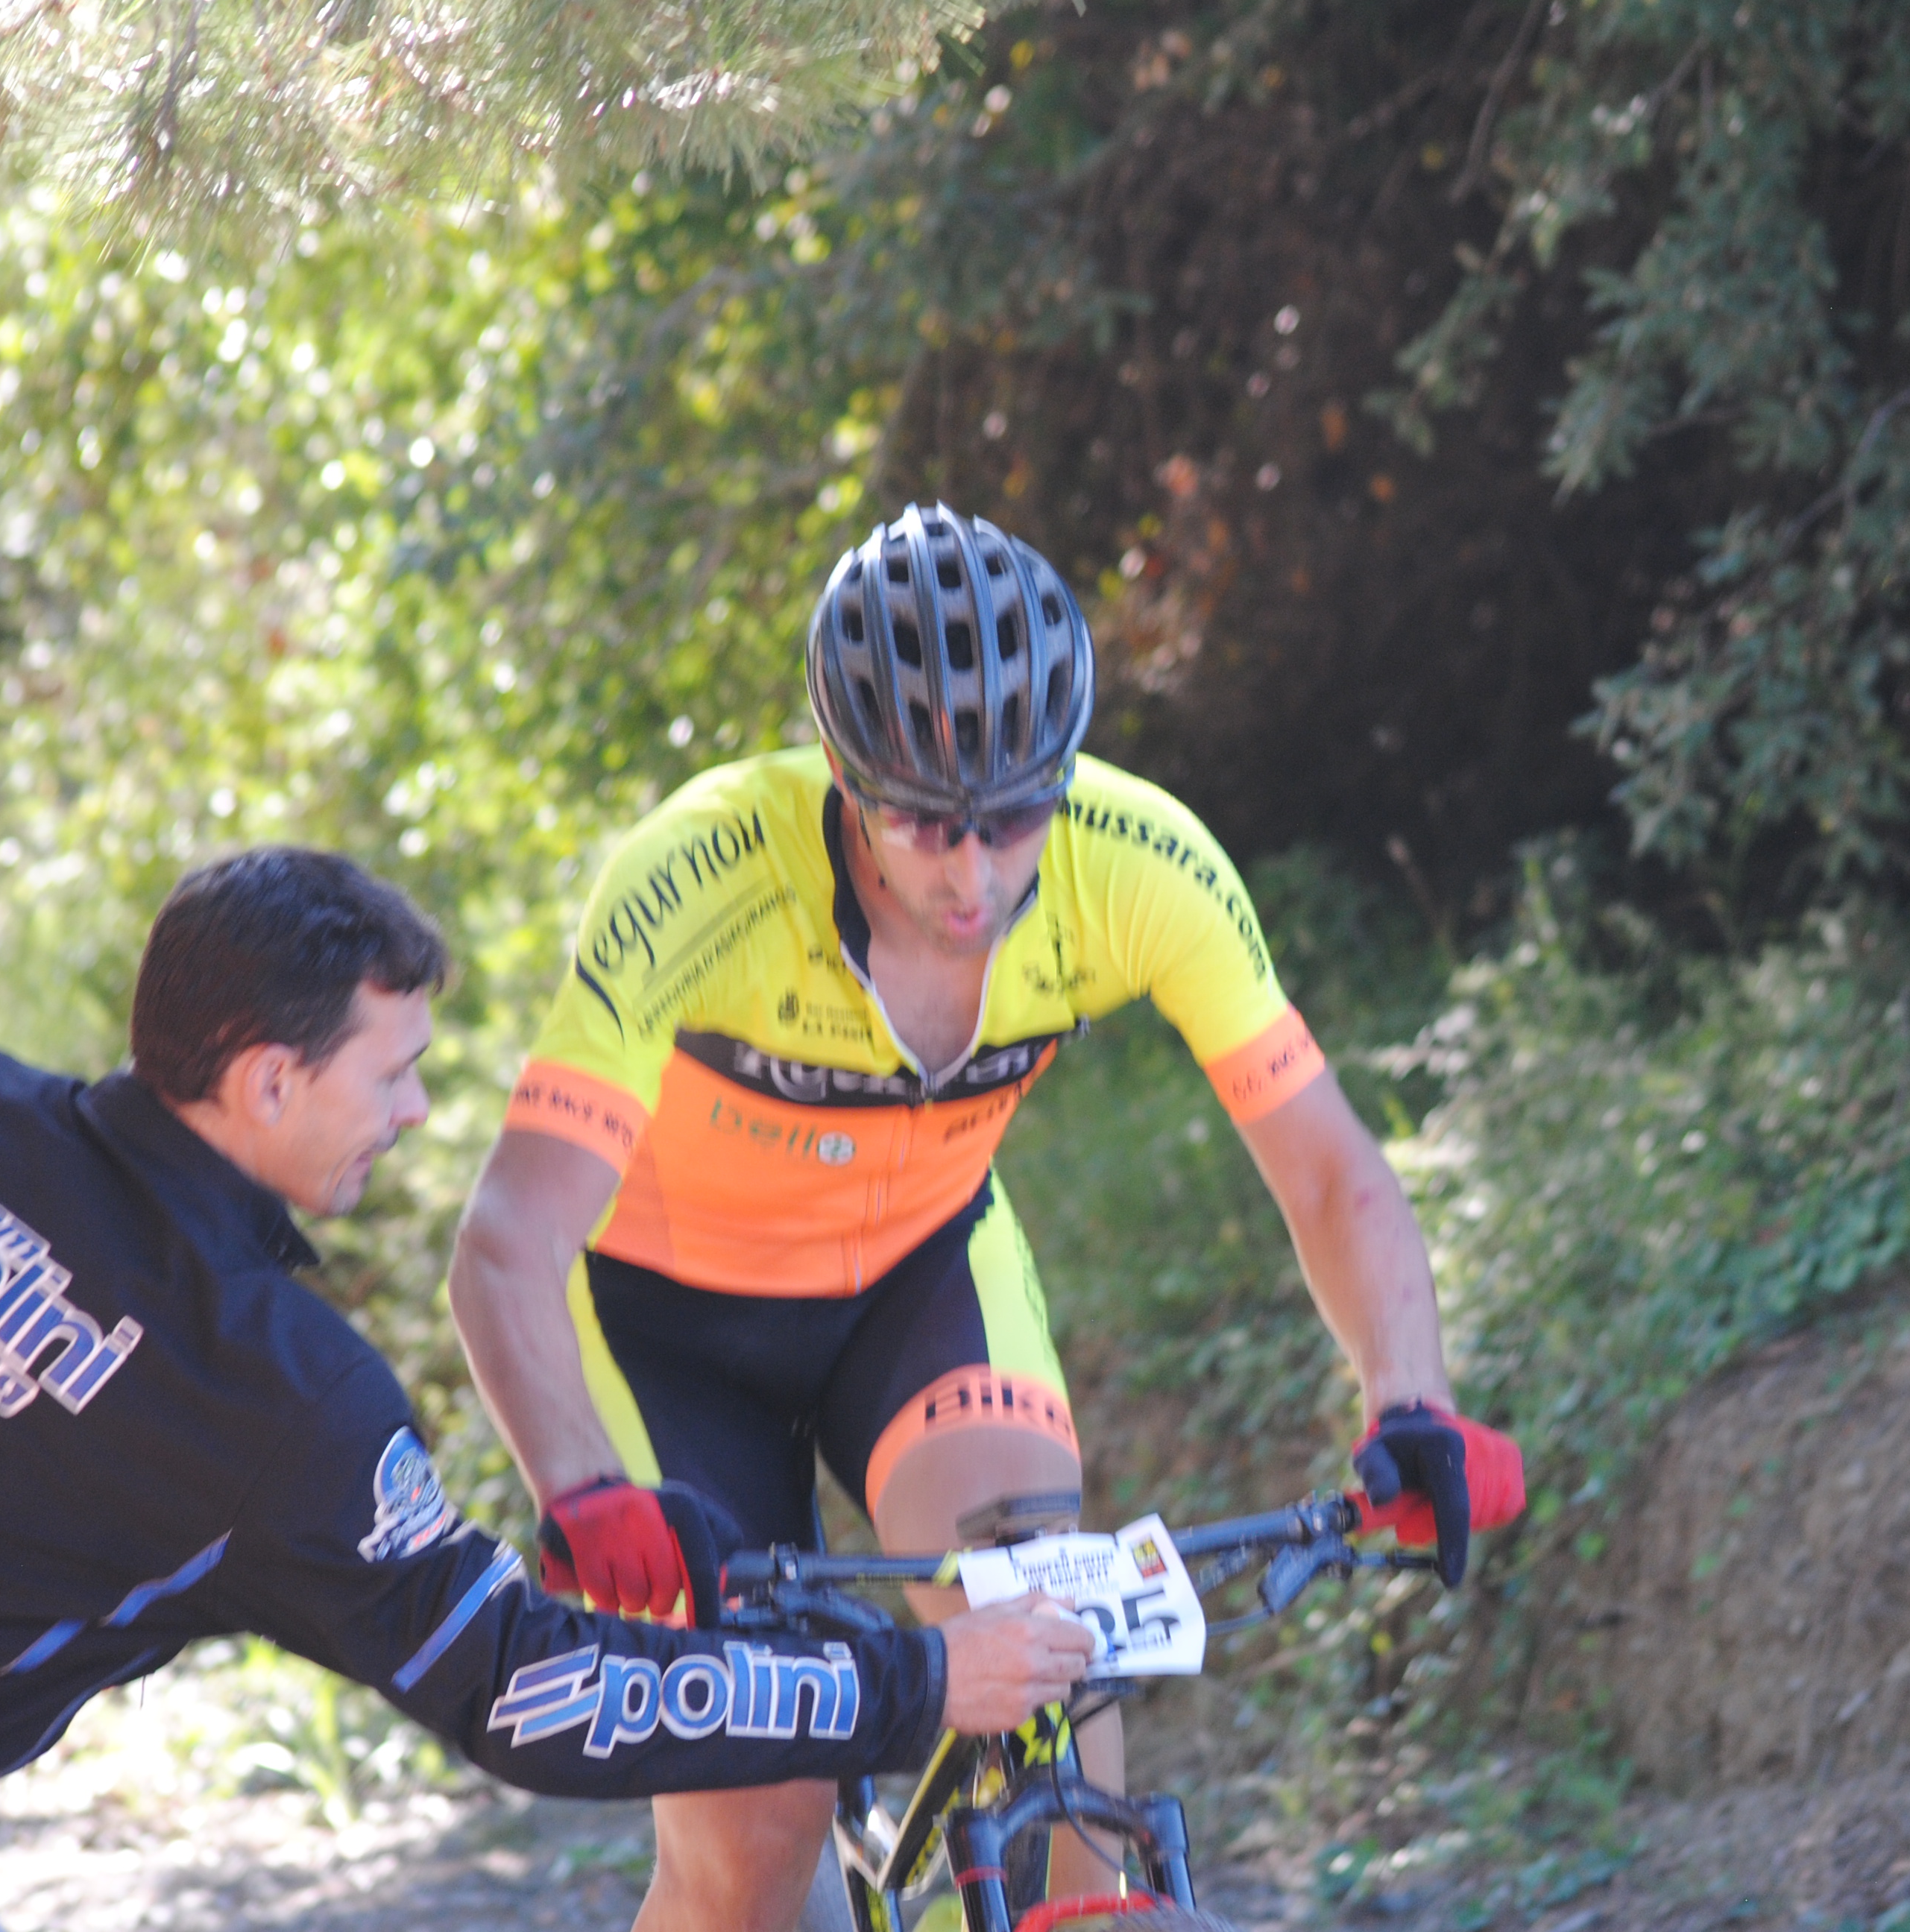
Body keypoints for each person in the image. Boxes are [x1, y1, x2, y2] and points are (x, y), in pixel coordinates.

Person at [448, 502, 1527, 1931]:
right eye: (923, 823)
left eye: (1015, 819)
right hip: (663, 1330)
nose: (974, 876)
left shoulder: (1142, 865)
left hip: (918, 1281)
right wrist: (583, 1487)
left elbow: (1331, 1171)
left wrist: (1413, 1398)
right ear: (844, 776)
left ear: (1064, 776)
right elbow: (507, 1245)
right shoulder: (700, 875)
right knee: (761, 1818)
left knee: (1057, 1647)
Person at [0, 849, 1097, 1932]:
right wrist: (922, 1680)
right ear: (272, 1081)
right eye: (391, 1074)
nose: (414, 1112)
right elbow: (529, 1688)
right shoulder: (275, 1399)